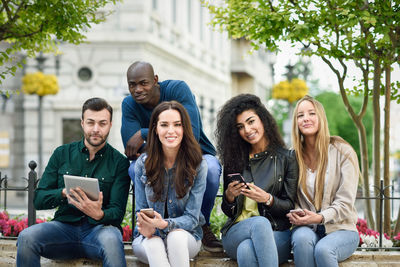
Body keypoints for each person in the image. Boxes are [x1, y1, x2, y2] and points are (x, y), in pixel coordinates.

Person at [16, 98, 131, 267]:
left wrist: (100, 214)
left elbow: (117, 211)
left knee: (112, 241)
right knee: (26, 237)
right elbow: (39, 199)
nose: (96, 129)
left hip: (100, 231)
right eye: (91, 123)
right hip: (63, 229)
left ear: (110, 125)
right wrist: (63, 193)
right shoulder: (62, 154)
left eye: (102, 123)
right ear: (82, 123)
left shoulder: (119, 162)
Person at [121, 61, 222, 251]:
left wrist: (145, 133)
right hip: (158, 158)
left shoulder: (177, 89)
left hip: (196, 154)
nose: (138, 89)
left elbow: (191, 132)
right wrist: (158, 146)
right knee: (136, 167)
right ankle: (150, 223)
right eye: (132, 85)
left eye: (144, 83)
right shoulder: (129, 104)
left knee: (212, 169)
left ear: (156, 80)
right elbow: (131, 149)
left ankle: (202, 224)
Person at [215, 94, 299, 266]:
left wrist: (268, 199)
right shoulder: (234, 159)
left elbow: (289, 206)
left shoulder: (287, 158)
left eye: (251, 121)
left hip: (276, 233)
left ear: (263, 120)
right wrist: (230, 197)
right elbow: (228, 211)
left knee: (247, 249)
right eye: (240, 126)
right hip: (237, 231)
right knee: (257, 226)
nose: (247, 130)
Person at [287, 95, 360, 267]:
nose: (306, 118)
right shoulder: (292, 157)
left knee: (324, 250)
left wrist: (320, 217)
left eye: (311, 113)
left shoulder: (343, 152)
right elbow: (290, 197)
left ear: (321, 118)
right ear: (296, 122)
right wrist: (297, 214)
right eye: (300, 115)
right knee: (302, 238)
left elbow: (345, 202)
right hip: (307, 229)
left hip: (342, 229)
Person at [132, 101, 207, 266]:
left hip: (186, 237)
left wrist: (165, 224)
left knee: (175, 237)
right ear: (155, 130)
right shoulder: (143, 164)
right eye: (164, 125)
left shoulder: (198, 164)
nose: (171, 131)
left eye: (177, 125)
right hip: (149, 239)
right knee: (154, 243)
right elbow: (140, 210)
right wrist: (147, 226)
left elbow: (192, 219)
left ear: (184, 129)